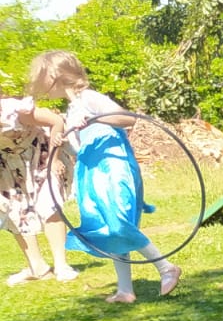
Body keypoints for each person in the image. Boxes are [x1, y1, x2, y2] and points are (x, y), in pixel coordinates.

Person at [28, 51, 179, 303]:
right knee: (107, 227)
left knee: (118, 222)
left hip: (113, 166)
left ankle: (166, 267)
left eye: (42, 76)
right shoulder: (72, 109)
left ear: (55, 75)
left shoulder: (89, 98)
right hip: (91, 172)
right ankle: (125, 290)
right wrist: (63, 143)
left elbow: (128, 119)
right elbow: (80, 148)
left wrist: (94, 118)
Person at [1, 92, 78, 284]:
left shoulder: (16, 111)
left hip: (41, 156)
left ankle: (61, 265)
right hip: (10, 166)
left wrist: (54, 159)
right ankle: (37, 267)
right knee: (14, 213)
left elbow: (56, 122)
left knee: (48, 205)